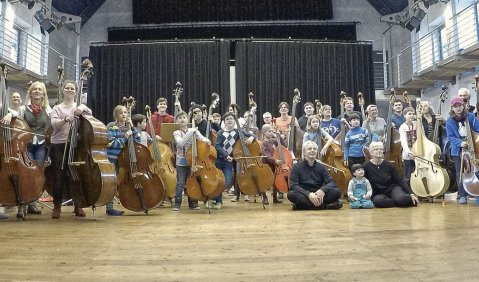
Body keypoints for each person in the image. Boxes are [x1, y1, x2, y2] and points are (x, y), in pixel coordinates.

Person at [2, 82, 52, 217]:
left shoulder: (47, 109)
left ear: (43, 93)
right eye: (34, 89)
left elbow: (53, 124)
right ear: (30, 92)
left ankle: (33, 203)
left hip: (41, 145)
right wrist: (9, 115)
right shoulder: (24, 109)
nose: (37, 91)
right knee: (24, 173)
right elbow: (15, 114)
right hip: (26, 145)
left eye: (39, 89)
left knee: (37, 174)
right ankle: (22, 205)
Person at [49, 80, 92, 219]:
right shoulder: (57, 108)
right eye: (67, 88)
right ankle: (57, 206)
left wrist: (83, 107)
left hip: (76, 145)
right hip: (59, 144)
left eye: (72, 88)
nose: (69, 90)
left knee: (77, 174)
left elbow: (90, 114)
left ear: (76, 91)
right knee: (59, 176)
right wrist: (66, 119)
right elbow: (55, 124)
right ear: (63, 90)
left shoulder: (78, 106)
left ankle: (78, 205)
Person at [106, 105, 141, 216]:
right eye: (121, 113)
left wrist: (132, 127)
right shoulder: (111, 126)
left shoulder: (128, 127)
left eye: (125, 112)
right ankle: (109, 208)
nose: (124, 114)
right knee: (112, 183)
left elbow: (137, 140)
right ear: (116, 115)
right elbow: (111, 143)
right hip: (113, 158)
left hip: (125, 160)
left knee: (121, 183)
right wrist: (125, 137)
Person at [288, 140, 343, 210]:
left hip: (318, 194)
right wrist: (309, 194)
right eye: (309, 149)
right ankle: (325, 206)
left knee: (336, 192)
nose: (312, 150)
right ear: (304, 153)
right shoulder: (296, 167)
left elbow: (332, 182)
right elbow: (294, 185)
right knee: (291, 194)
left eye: (314, 149)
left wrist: (323, 190)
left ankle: (302, 206)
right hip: (304, 194)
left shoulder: (321, 167)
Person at [215, 112, 256, 206]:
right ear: (224, 122)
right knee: (217, 180)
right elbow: (217, 146)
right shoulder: (221, 133)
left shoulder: (238, 131)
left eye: (231, 118)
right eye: (227, 119)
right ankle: (217, 200)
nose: (229, 120)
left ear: (235, 121)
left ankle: (216, 199)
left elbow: (253, 136)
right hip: (219, 160)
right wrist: (226, 155)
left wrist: (251, 138)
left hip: (229, 162)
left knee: (226, 182)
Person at [172, 111, 210, 211]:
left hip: (193, 161)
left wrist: (207, 141)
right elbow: (181, 143)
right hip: (181, 162)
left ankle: (193, 202)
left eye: (184, 117)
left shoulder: (193, 131)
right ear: (177, 121)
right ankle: (177, 203)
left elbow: (201, 138)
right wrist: (191, 132)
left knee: (192, 181)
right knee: (180, 183)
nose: (182, 119)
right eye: (179, 118)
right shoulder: (176, 133)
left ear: (187, 119)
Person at [363, 141, 418, 208]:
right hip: (378, 193)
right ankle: (398, 202)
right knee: (378, 201)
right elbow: (364, 182)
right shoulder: (366, 166)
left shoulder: (389, 164)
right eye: (376, 149)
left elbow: (400, 180)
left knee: (402, 198)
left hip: (392, 189)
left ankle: (399, 200)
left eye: (381, 149)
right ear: (371, 152)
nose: (379, 151)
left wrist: (411, 193)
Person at [445, 96, 479, 204]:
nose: (458, 108)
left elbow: (478, 129)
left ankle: (476, 192)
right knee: (459, 172)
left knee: (476, 170)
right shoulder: (450, 121)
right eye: (455, 106)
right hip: (457, 150)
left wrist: (473, 139)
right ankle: (462, 194)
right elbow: (450, 137)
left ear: (463, 106)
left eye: (460, 105)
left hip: (473, 147)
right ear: (452, 108)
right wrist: (460, 143)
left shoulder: (470, 116)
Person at [260, 124, 286, 204]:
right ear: (264, 133)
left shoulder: (274, 140)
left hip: (275, 164)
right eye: (269, 131)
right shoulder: (263, 143)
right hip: (266, 164)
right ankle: (264, 197)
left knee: (275, 180)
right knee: (265, 181)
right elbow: (266, 155)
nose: (271, 133)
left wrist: (278, 136)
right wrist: (275, 160)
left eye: (272, 131)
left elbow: (283, 146)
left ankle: (275, 197)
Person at [398, 107, 417, 186]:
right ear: (404, 115)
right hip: (408, 154)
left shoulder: (417, 124)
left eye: (413, 114)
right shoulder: (402, 127)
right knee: (408, 175)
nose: (412, 115)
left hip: (418, 153)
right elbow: (403, 141)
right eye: (409, 114)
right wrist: (409, 152)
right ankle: (408, 192)